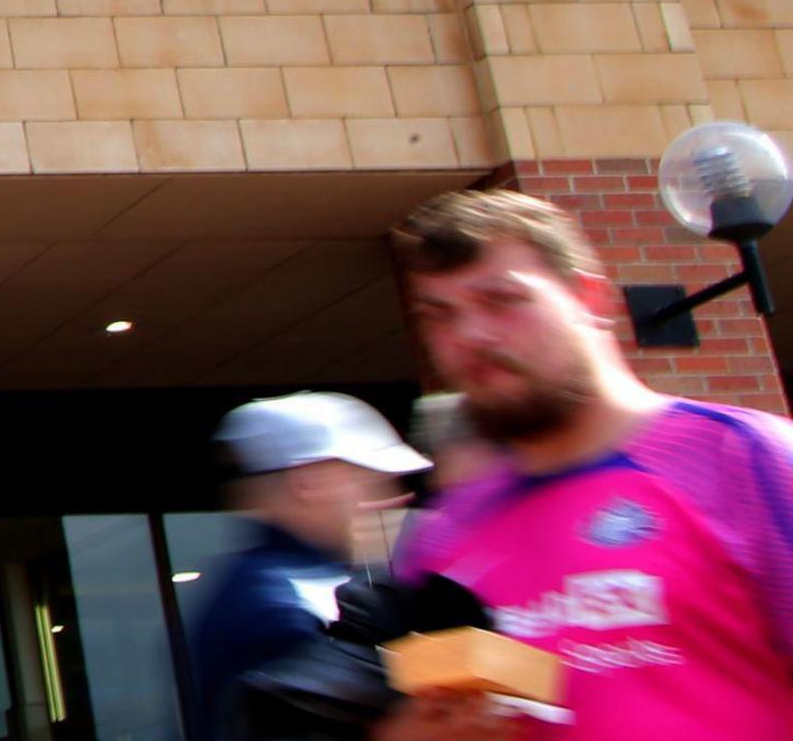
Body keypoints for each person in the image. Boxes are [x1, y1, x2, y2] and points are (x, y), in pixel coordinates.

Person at [376, 187, 793, 738]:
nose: (470, 336)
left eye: (502, 299)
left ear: (588, 297)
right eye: (440, 315)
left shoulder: (747, 460)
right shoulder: (447, 534)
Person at [183, 393, 429, 731]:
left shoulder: (297, 587)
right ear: (309, 483)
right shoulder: (285, 605)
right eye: (370, 479)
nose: (394, 498)